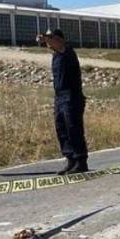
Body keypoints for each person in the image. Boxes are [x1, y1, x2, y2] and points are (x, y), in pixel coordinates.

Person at [36, 29, 89, 174]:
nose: (48, 41)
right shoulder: (56, 55)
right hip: (59, 97)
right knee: (61, 129)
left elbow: (58, 44)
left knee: (73, 128)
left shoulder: (67, 51)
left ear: (59, 39)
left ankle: (80, 161)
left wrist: (47, 37)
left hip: (71, 96)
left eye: (51, 37)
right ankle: (70, 159)